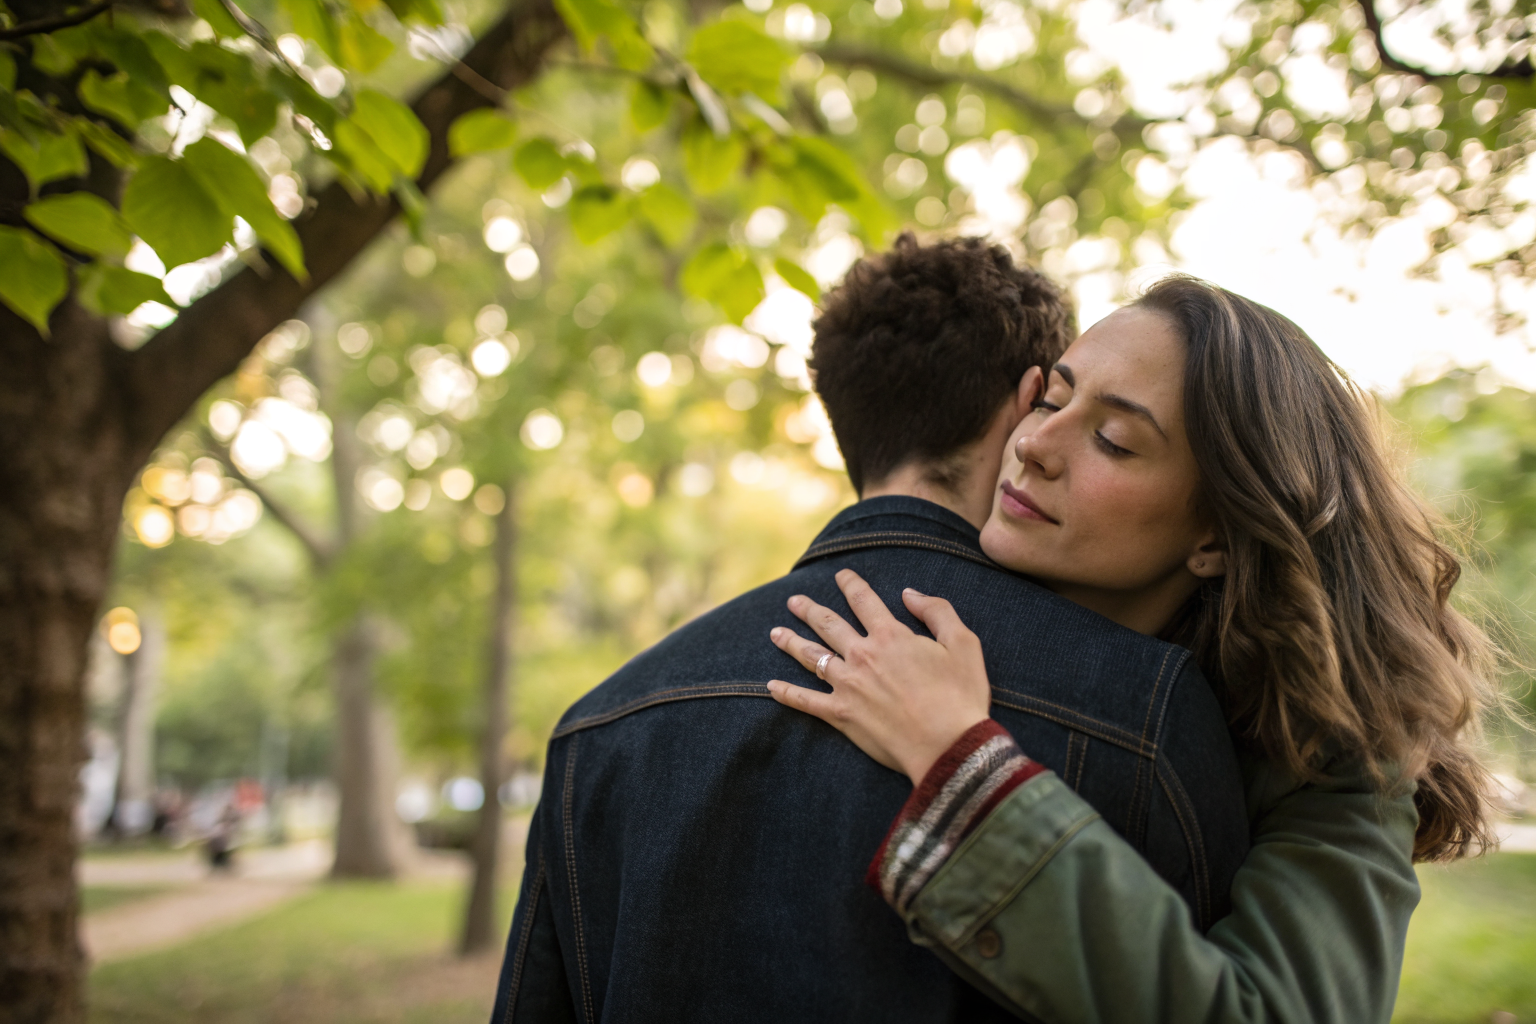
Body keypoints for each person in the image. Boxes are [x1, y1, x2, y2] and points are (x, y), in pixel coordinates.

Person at [489, 237, 1253, 1022]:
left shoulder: (601, 727)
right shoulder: (1146, 708)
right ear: (1021, 408)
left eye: (1113, 438)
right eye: (1055, 403)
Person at [768, 274, 1496, 1023]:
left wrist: (962, 762)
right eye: (1051, 400)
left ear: (1215, 533)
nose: (1035, 444)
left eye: (1113, 440)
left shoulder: (1334, 752)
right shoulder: (930, 619)